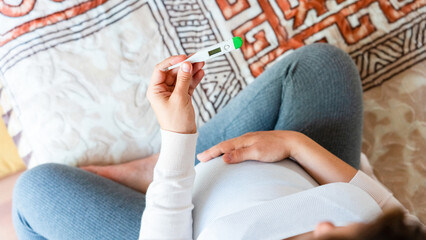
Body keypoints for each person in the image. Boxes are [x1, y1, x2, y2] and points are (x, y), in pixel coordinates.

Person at [12, 43, 425, 240]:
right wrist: (294, 144)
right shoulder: (380, 231)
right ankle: (152, 170)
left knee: (35, 190)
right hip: (275, 166)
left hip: (170, 224)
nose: (321, 224)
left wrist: (177, 141)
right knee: (322, 67)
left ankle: (156, 175)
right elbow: (390, 210)